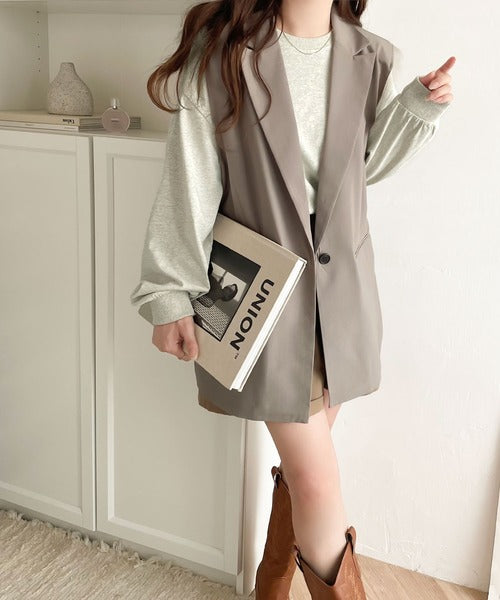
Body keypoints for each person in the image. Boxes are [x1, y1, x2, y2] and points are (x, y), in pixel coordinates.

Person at [130, 0, 455, 597]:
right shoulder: (222, 56)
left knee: (308, 470)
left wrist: (415, 108)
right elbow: (190, 179)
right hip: (265, 298)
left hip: (343, 295)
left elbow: (360, 168)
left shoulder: (373, 56)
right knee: (318, 480)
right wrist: (169, 291)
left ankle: (271, 587)